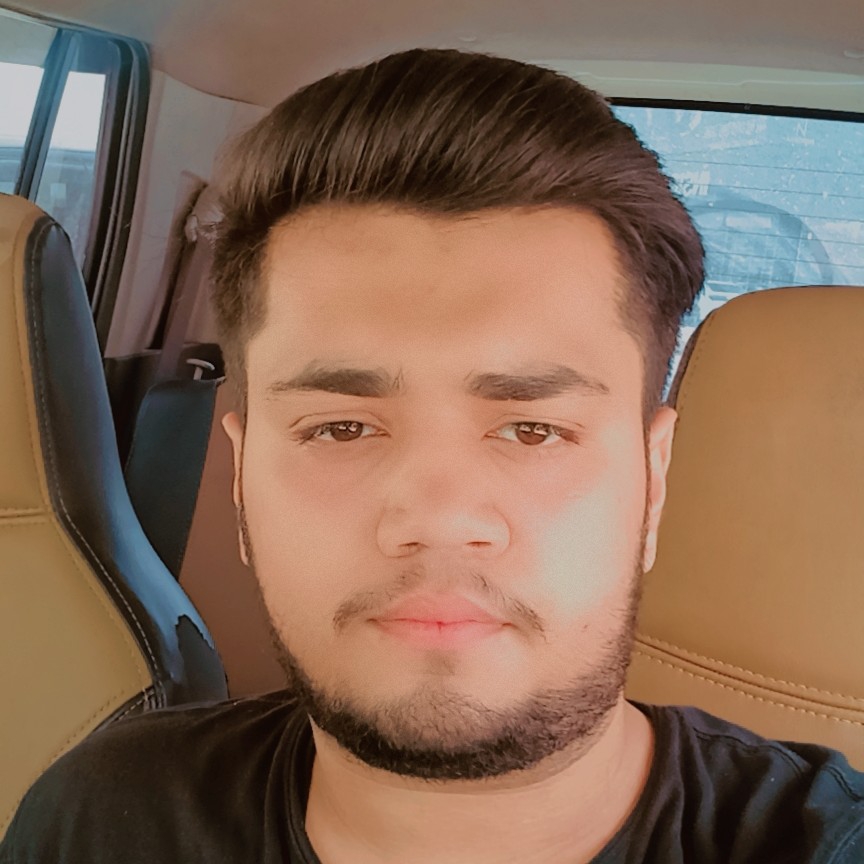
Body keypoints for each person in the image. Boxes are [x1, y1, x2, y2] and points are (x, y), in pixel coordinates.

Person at [2, 48, 862, 864]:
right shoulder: (103, 815)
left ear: (653, 484)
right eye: (341, 429)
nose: (439, 517)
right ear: (240, 485)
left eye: (533, 430)